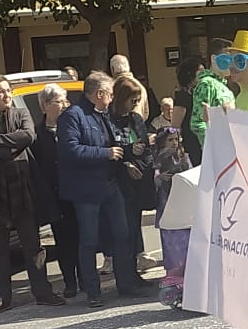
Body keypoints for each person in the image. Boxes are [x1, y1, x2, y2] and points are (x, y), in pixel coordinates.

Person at [0, 75, 62, 311]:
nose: (7, 95)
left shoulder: (21, 114)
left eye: (9, 90)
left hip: (22, 186)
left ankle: (43, 291)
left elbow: (28, 136)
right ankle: (0, 298)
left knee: (33, 244)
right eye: (1, 91)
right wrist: (9, 150)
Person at [59, 72, 142, 304]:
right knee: (89, 240)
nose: (113, 98)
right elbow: (71, 150)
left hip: (110, 184)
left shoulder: (103, 115)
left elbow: (112, 143)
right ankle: (93, 291)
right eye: (110, 93)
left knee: (122, 234)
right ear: (100, 94)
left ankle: (125, 284)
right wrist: (104, 154)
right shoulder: (73, 116)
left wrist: (127, 155)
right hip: (86, 189)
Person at [33, 83, 81, 300]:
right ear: (44, 106)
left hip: (77, 190)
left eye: (65, 101)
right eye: (58, 102)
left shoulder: (73, 127)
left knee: (83, 236)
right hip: (54, 194)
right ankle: (69, 281)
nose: (63, 105)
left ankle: (87, 279)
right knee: (63, 239)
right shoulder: (36, 134)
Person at [111, 74, 157, 271]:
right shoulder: (110, 120)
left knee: (135, 226)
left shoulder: (136, 118)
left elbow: (143, 142)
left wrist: (148, 143)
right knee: (125, 231)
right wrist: (127, 160)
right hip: (121, 180)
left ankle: (134, 272)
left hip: (140, 179)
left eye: (138, 100)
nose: (136, 104)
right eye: (133, 100)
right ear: (121, 98)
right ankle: (126, 274)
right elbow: (110, 147)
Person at [187, 50, 234, 165]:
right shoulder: (207, 84)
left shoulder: (222, 85)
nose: (231, 63)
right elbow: (197, 123)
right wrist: (212, 149)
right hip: (218, 154)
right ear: (214, 58)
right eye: (228, 58)